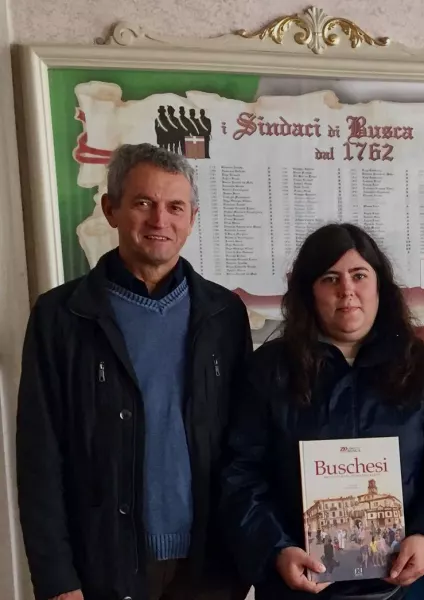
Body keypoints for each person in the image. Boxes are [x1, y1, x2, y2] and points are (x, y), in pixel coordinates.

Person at [16, 143, 253, 600]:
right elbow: (39, 460)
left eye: (175, 207)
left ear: (192, 218)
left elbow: (246, 444)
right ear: (111, 210)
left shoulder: (224, 314)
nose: (159, 220)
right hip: (102, 567)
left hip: (209, 567)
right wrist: (58, 581)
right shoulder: (61, 317)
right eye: (143, 203)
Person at [219, 223, 424, 599]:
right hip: (299, 585)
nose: (347, 290)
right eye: (330, 278)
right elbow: (242, 474)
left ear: (379, 286)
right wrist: (276, 550)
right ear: (310, 291)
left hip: (403, 587)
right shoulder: (269, 372)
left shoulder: (423, 370)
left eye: (359, 275)